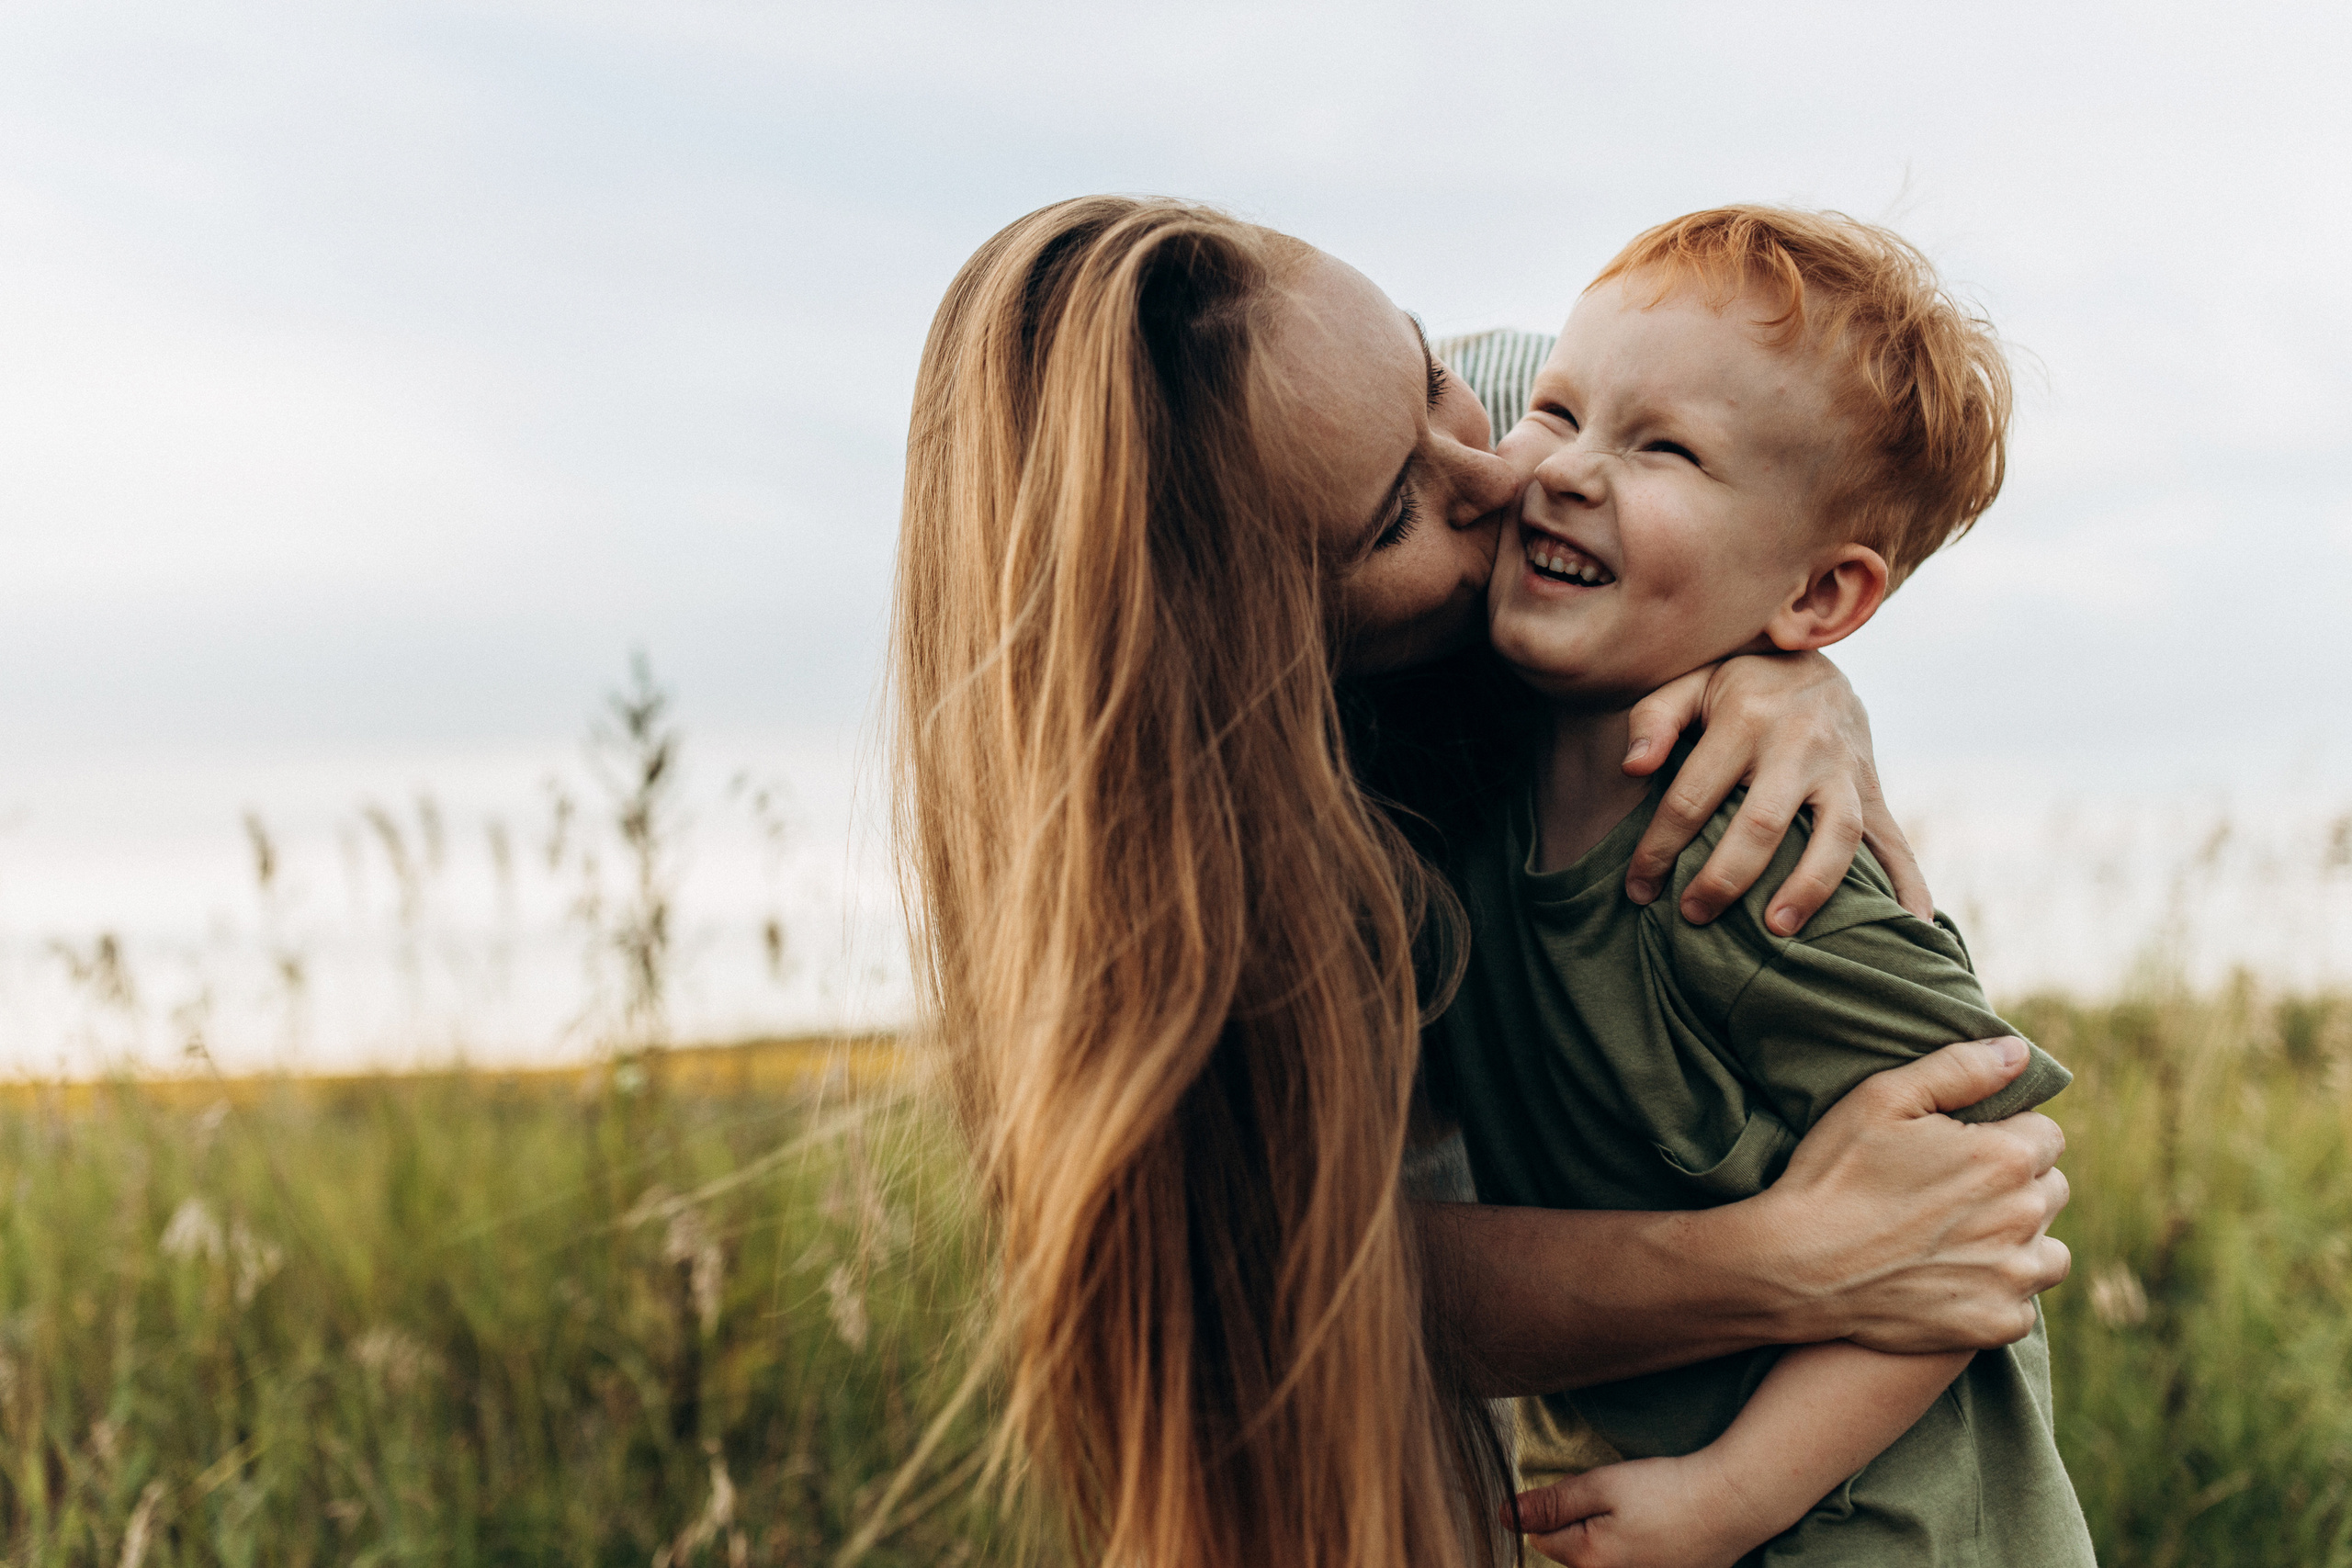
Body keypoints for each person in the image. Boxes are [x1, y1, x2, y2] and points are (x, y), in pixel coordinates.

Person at [890, 194, 2072, 1568]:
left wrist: (1793, 676)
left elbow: (1978, 1198)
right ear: (1266, 656)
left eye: (1435, 371)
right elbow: (1315, 1287)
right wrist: (1778, 1260)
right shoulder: (1215, 883)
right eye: (1401, 512)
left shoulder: (1736, 832)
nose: (1513, 474)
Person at [1430, 207, 2093, 1566]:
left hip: (1882, 1530)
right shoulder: (1469, 795)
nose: (1568, 470)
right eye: (1555, 408)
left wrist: (1732, 1492)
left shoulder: (1766, 866)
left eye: (1663, 448)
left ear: (1818, 600)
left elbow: (1976, 1222)